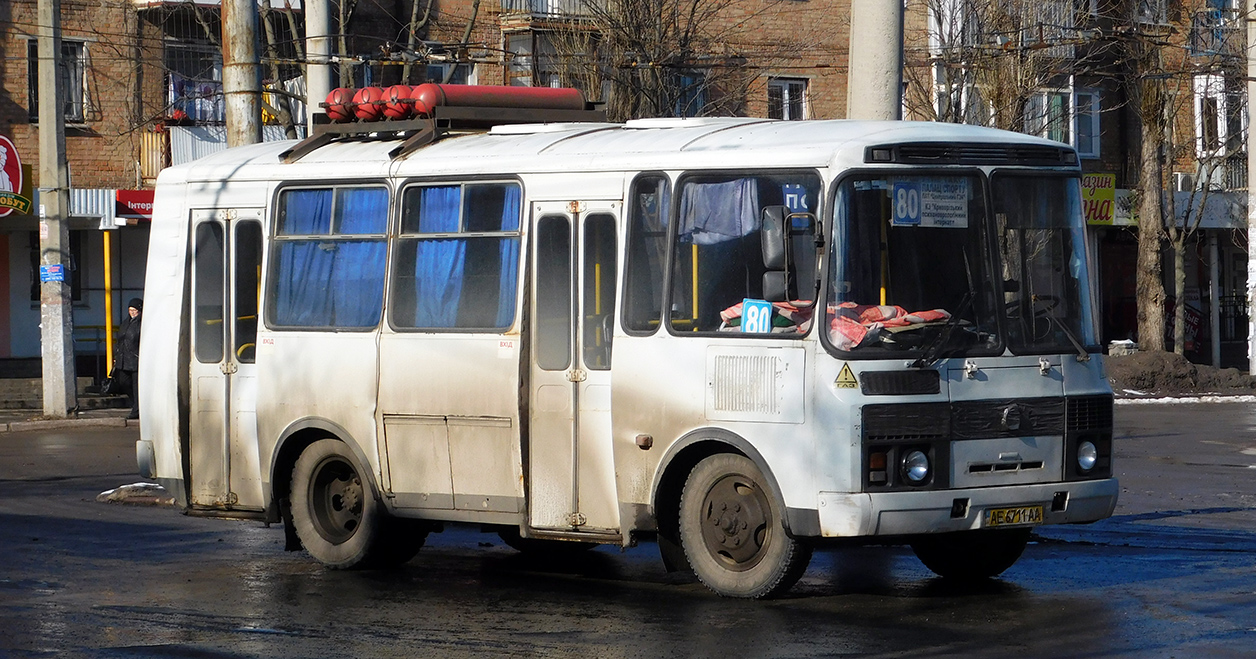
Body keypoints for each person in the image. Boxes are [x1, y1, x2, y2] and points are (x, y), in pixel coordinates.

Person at [115, 298, 142, 420]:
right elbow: (120, 340)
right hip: (123, 359)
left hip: (136, 360)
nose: (132, 313)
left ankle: (136, 410)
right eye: (130, 310)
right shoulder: (126, 322)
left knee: (137, 386)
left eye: (135, 310)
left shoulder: (142, 323)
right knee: (123, 382)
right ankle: (137, 404)